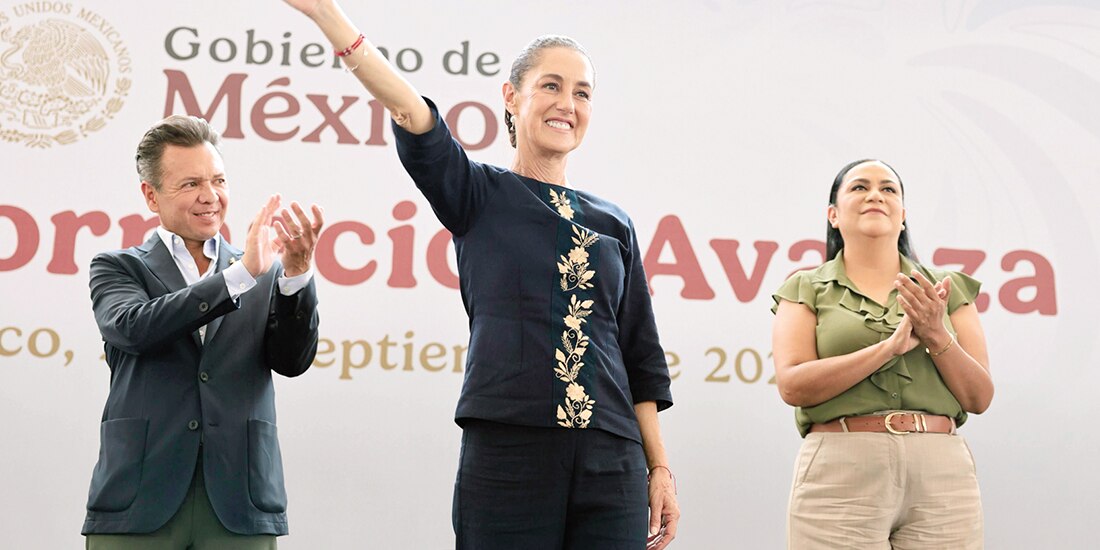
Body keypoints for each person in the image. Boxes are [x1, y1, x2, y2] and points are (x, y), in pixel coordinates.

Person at [285, 1, 679, 548]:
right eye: (551, 86)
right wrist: (328, 16)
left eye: (582, 92)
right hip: (509, 451)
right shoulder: (478, 193)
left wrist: (658, 467)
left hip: (612, 461)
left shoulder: (614, 222)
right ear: (512, 98)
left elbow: (639, 354)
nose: (567, 103)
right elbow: (411, 113)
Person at [82, 114, 324, 549]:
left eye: (218, 180)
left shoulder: (261, 268)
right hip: (139, 497)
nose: (210, 197)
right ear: (151, 196)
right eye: (190, 184)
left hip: (239, 500)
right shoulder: (118, 267)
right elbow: (133, 328)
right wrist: (239, 276)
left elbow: (292, 362)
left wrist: (296, 275)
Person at [770, 159, 994, 549]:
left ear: (903, 214)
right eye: (859, 187)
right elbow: (793, 385)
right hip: (841, 466)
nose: (876, 194)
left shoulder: (946, 288)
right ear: (833, 215)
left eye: (888, 189)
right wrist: (889, 348)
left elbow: (979, 397)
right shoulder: (804, 286)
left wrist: (935, 333)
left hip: (941, 470)